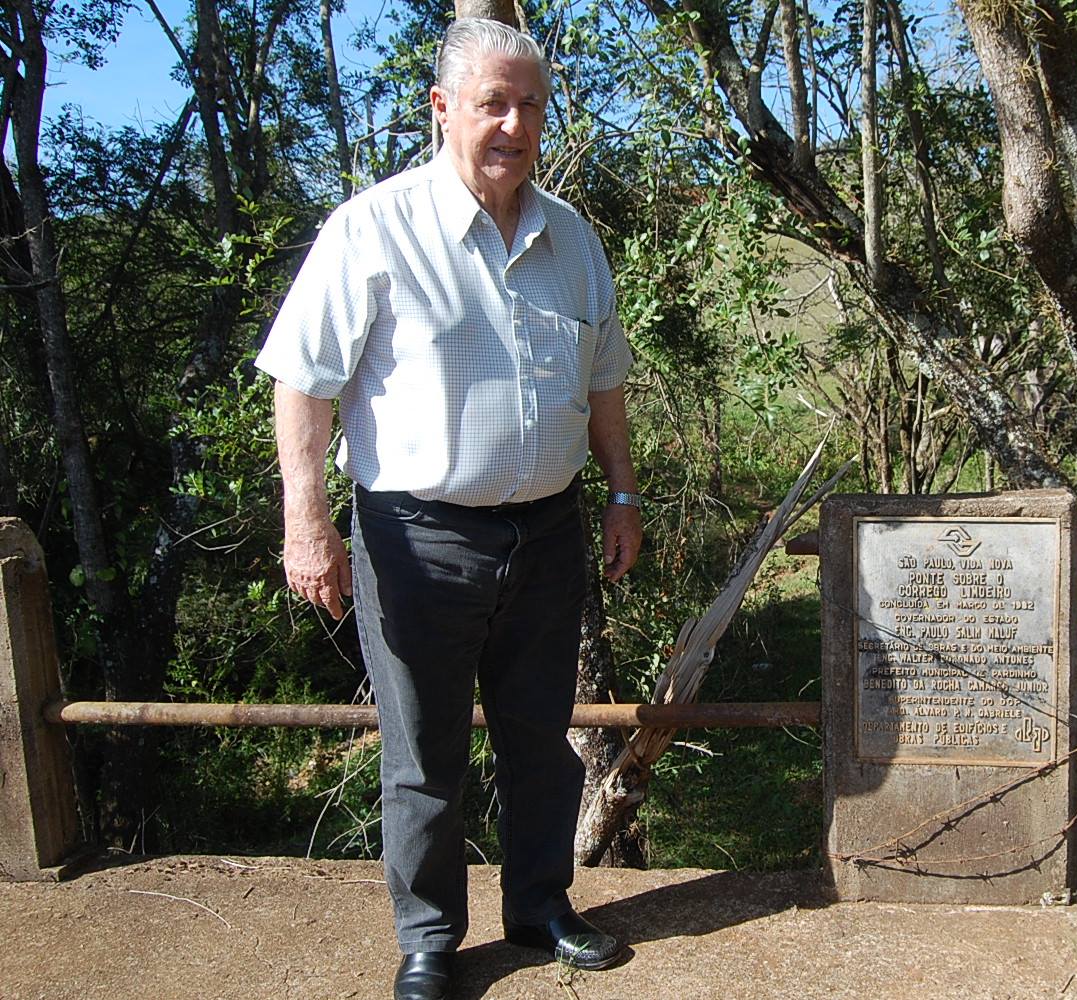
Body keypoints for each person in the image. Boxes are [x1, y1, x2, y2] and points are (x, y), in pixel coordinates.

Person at [255, 19, 641, 1000]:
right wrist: (307, 528)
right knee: (424, 751)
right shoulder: (372, 230)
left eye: (532, 106)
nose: (515, 124)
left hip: (548, 533)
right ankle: (429, 937)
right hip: (417, 538)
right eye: (492, 103)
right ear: (441, 109)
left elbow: (604, 383)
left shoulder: (571, 238)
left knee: (542, 736)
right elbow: (301, 383)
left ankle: (539, 906)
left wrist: (623, 495)